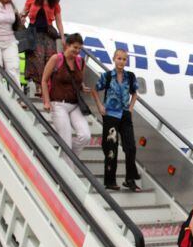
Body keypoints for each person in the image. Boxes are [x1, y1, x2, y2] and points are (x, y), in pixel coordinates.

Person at [90, 48, 141, 191]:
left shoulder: (130, 76)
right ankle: (110, 180)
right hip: (110, 115)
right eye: (119, 58)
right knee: (111, 149)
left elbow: (135, 93)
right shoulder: (107, 76)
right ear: (114, 59)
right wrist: (100, 105)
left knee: (130, 147)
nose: (121, 61)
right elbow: (94, 89)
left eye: (124, 59)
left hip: (125, 115)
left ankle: (130, 180)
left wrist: (130, 108)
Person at [41, 33, 91, 160]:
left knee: (85, 136)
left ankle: (66, 159)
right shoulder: (56, 59)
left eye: (80, 48)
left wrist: (82, 86)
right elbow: (44, 80)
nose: (77, 51)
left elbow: (79, 80)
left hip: (74, 105)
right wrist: (46, 101)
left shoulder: (80, 61)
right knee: (66, 141)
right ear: (67, 46)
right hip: (58, 104)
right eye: (75, 47)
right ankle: (70, 175)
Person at [21, 0, 65, 97]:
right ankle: (39, 86)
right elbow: (24, 12)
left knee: (49, 59)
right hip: (34, 33)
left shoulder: (54, 3)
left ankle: (47, 86)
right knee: (36, 60)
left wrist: (62, 36)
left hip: (48, 34)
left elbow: (59, 22)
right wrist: (21, 17)